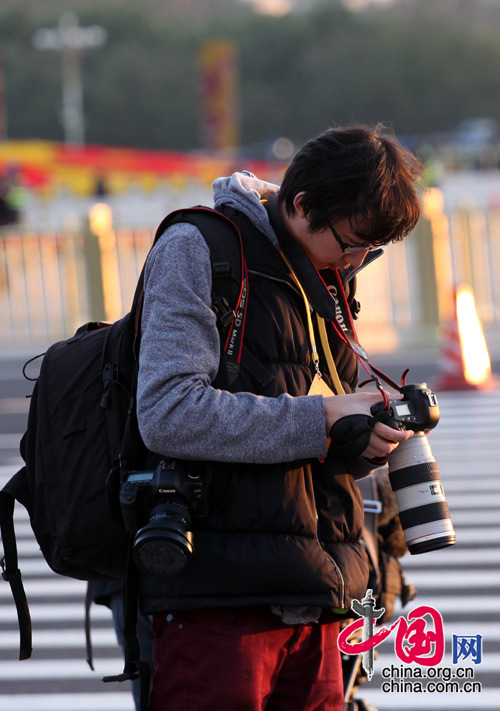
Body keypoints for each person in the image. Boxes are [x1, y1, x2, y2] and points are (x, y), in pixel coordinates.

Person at [135, 124, 422, 711]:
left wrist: (359, 434)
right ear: (301, 204)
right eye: (351, 242)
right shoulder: (200, 248)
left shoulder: (327, 275)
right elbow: (166, 412)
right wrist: (320, 417)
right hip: (219, 598)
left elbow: (308, 410)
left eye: (373, 249)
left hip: (320, 588)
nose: (357, 258)